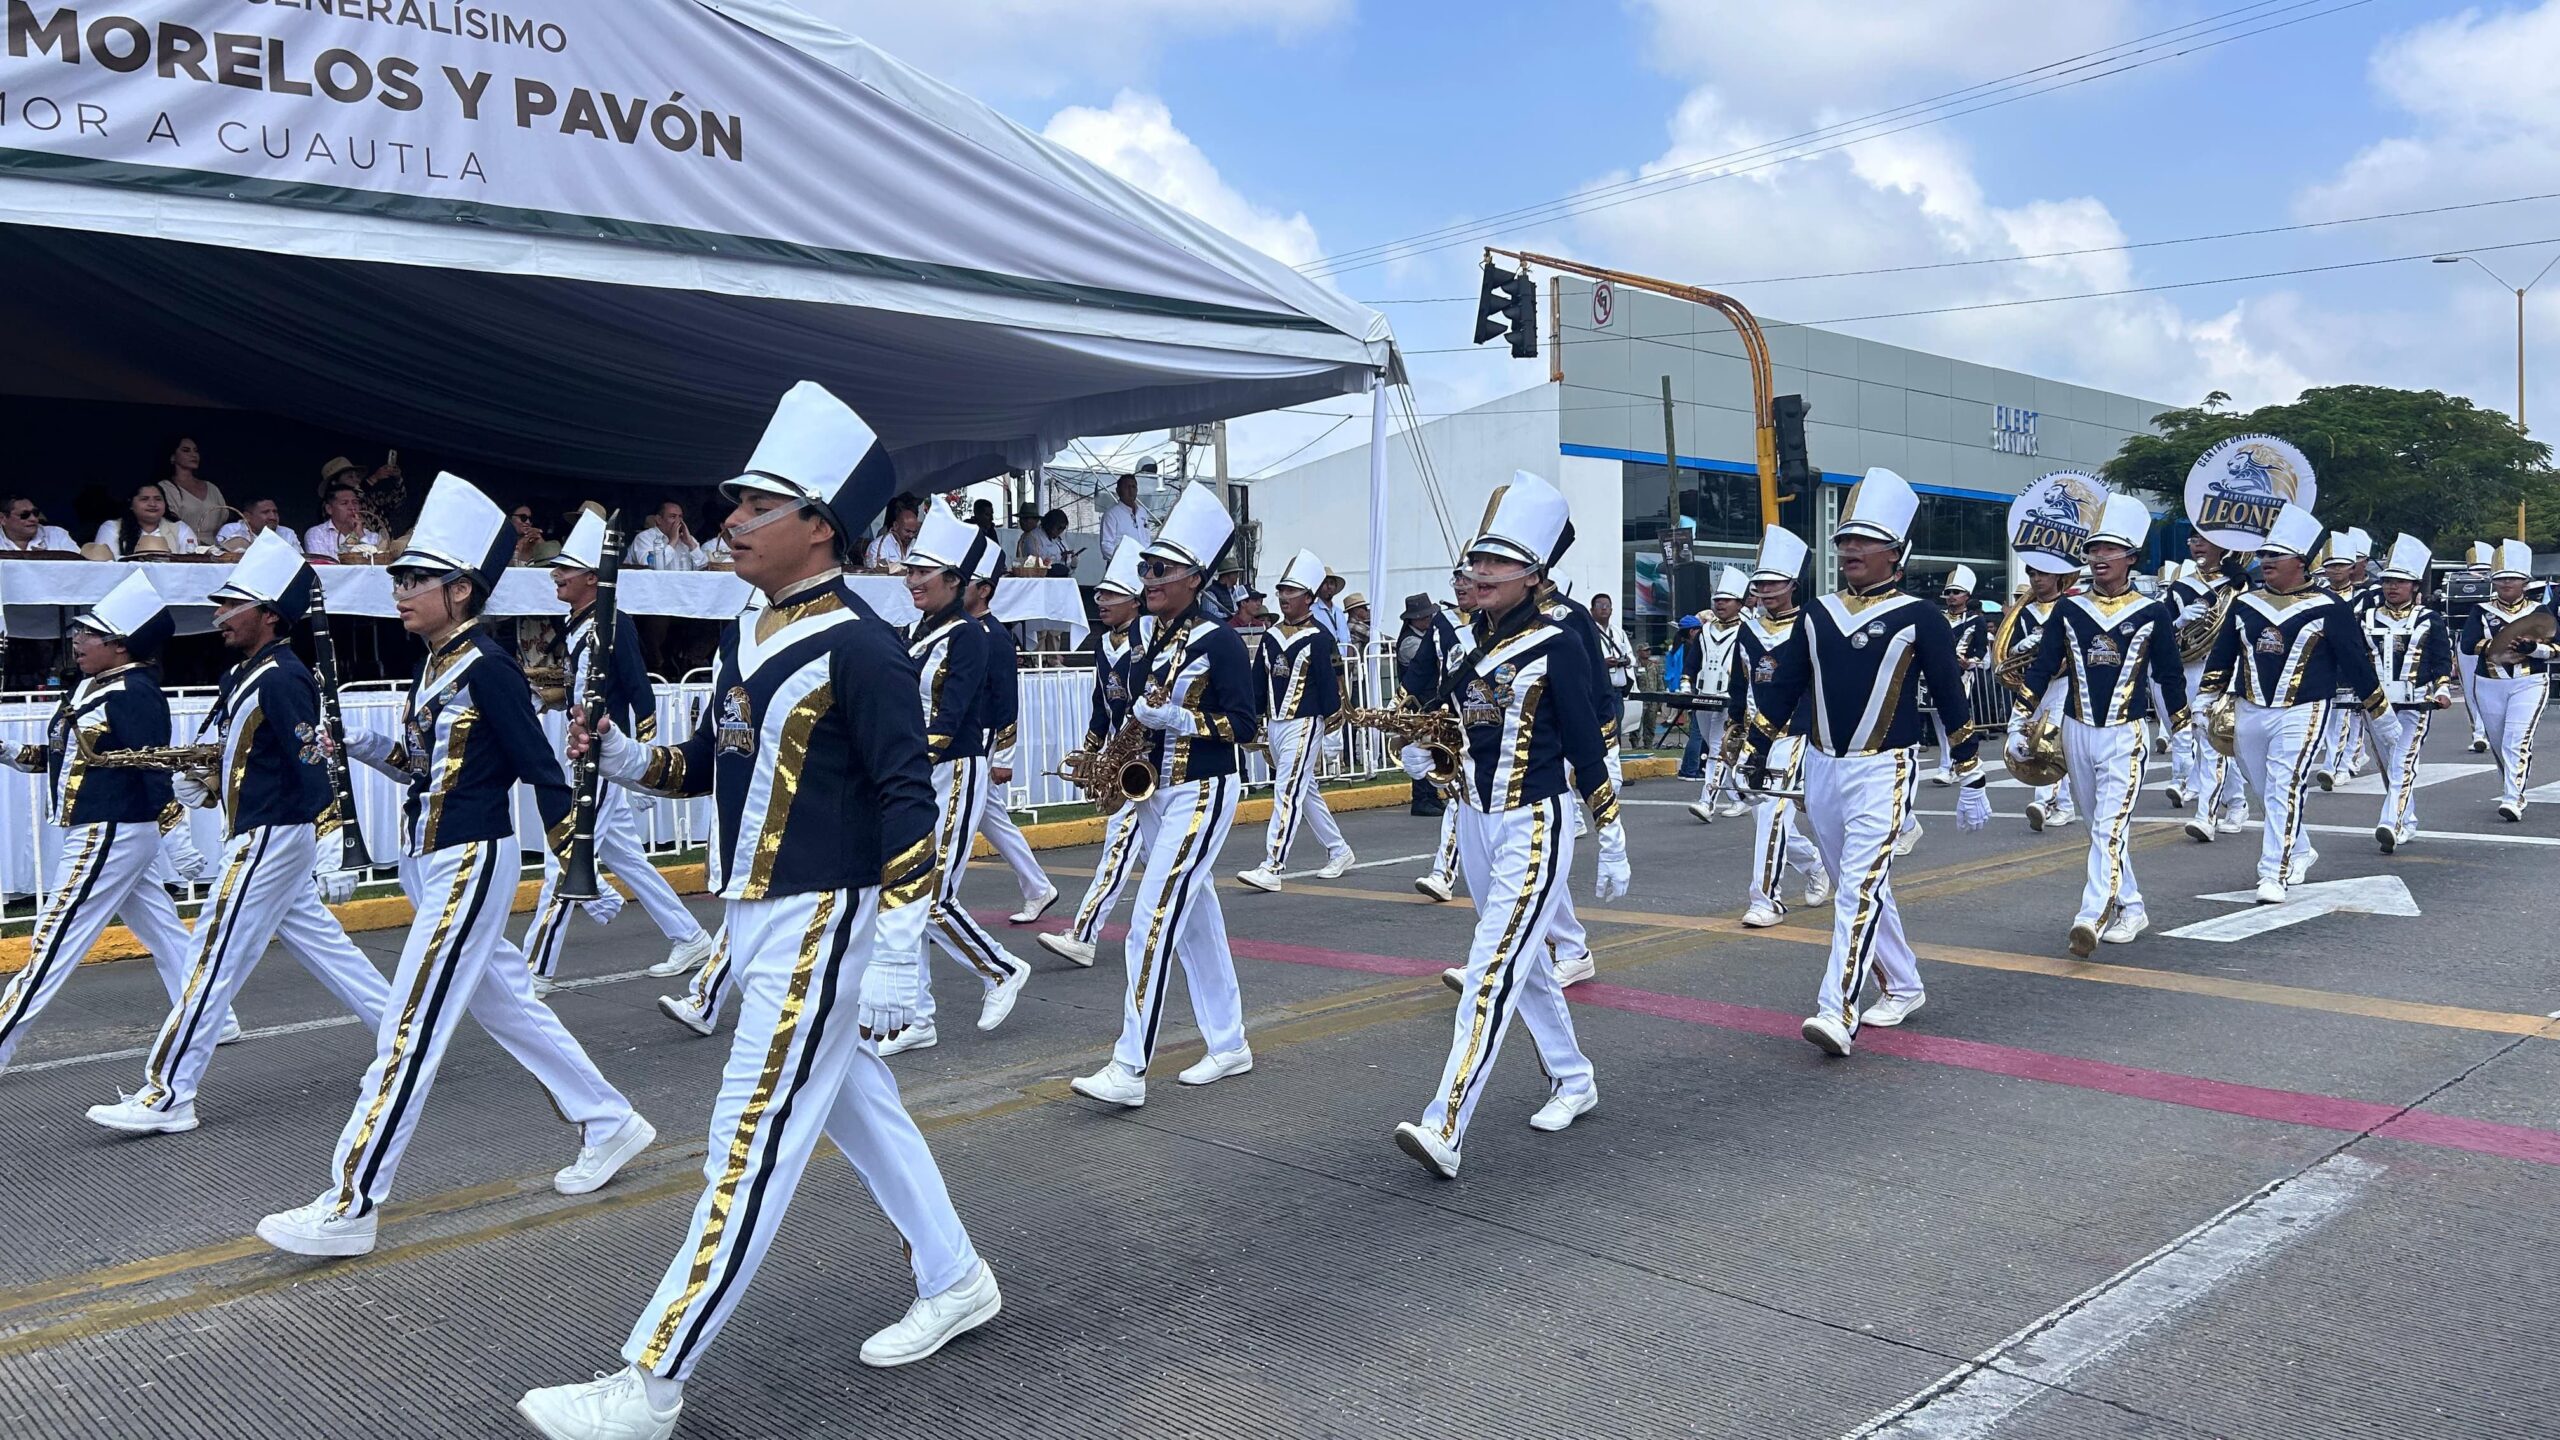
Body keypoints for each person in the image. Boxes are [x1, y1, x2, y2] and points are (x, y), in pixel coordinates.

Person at [524, 382, 995, 1438]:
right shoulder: (751, 627)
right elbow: (714, 762)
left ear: (820, 522)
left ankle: (647, 1382)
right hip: (755, 916)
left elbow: (907, 797)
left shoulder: (865, 648)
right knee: (856, 1109)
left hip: (824, 920)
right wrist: (631, 757)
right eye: (732, 502)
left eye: (757, 505)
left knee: (747, 1145)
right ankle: (958, 1276)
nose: (730, 520)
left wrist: (899, 954)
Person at [256, 471, 652, 1260]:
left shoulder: (490, 668)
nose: (399, 591)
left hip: (470, 860)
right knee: (509, 1007)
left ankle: (352, 1198)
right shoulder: (434, 662)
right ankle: (610, 1121)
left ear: (462, 590)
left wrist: (578, 862)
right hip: (431, 858)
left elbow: (541, 769)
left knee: (408, 1031)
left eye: (414, 579)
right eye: (398, 577)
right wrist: (362, 746)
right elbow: (424, 762)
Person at [82, 532, 394, 1134]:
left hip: (272, 834)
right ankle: (404, 1042)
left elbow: (313, 759)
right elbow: (235, 748)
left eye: (233, 605)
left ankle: (169, 1093)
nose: (219, 616)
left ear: (270, 616)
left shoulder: (283, 677)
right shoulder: (245, 673)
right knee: (329, 951)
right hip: (260, 829)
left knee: (210, 956)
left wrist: (331, 840)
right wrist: (202, 775)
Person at [1390, 471, 1625, 1180]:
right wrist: (1424, 752)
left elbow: (1587, 739)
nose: (1478, 572)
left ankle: (1446, 1122)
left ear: (1533, 573)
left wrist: (1608, 829)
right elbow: (1459, 732)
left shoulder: (1558, 641)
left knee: (1491, 971)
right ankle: (1574, 1077)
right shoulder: (1471, 648)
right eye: (1475, 561)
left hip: (1535, 822)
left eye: (1494, 563)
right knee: (1525, 970)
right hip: (1477, 821)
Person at [1740, 469, 1990, 1058]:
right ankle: (1902, 984)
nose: (1850, 549)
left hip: (1885, 768)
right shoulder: (1818, 613)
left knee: (1856, 887)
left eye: (1864, 540)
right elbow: (1785, 688)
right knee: (1865, 886)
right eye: (1845, 540)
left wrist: (1971, 770)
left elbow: (1951, 696)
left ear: (1895, 554)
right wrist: (1754, 751)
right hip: (1822, 767)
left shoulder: (1921, 616)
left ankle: (1837, 1007)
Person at [0, 572, 244, 1075]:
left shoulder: (134, 692)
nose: (77, 641)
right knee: (163, 931)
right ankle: (213, 1019)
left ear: (121, 644)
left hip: (109, 830)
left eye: (89, 634)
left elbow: (151, 766)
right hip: (109, 830)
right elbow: (67, 758)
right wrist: (6, 751)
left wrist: (174, 838)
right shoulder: (91, 686)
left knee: (54, 939)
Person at [1068, 482, 1260, 1110]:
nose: (1148, 578)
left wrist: (1181, 722)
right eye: (1146, 568)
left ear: (1194, 578)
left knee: (1149, 923)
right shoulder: (1154, 640)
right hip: (1157, 795)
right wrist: (1111, 754)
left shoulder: (1220, 640)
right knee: (1198, 923)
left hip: (1201, 790)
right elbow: (1139, 710)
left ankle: (1129, 1066)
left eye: (1160, 569)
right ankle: (1229, 1043)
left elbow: (1246, 727)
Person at [519, 508, 718, 994]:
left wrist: (644, 760)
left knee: (566, 855)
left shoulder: (612, 624)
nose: (556, 575)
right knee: (627, 858)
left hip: (604, 759)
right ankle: (690, 936)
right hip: (584, 751)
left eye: (565, 568)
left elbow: (639, 692)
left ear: (592, 577)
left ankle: (534, 970)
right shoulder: (580, 624)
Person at [2009, 497, 2187, 956]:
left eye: (2110, 549)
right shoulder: (2070, 611)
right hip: (2075, 730)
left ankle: (2091, 915)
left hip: (2126, 734)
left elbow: (2167, 676)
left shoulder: (2153, 612)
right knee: (2099, 831)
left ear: (2131, 558)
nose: (2100, 557)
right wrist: (2019, 721)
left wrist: (2183, 726)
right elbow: (2043, 666)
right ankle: (2132, 905)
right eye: (2093, 549)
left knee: (2110, 829)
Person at [888, 503, 1033, 1055]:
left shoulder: (969, 636)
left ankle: (999, 969)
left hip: (954, 768)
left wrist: (899, 761)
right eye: (909, 571)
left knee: (930, 895)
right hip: (920, 772)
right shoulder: (916, 631)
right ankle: (916, 1018)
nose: (913, 581)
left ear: (954, 580)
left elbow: (949, 721)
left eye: (924, 573)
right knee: (904, 893)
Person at [2194, 503, 2385, 903]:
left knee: (2285, 785)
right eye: (2263, 555)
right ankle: (2300, 850)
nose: (2265, 562)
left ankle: (2272, 874)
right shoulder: (2246, 604)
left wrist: (2378, 711)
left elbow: (2355, 661)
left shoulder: (2331, 607)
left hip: (2304, 708)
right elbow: (2223, 653)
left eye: (2274, 555)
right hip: (2249, 709)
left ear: (2299, 562)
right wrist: (2205, 698)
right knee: (2267, 790)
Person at [1038, 542, 1151, 970]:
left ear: (1133, 601)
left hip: (1148, 758)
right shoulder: (1103, 644)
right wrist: (1091, 752)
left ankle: (1084, 935)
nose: (1100, 602)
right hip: (1120, 757)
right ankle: (1182, 925)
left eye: (1110, 595)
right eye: (1099, 594)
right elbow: (1100, 704)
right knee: (1156, 853)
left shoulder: (1150, 639)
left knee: (1118, 849)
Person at [1726, 530, 1830, 927]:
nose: (1765, 591)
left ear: (1792, 585)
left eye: (1773, 583)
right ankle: (1813, 862)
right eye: (1760, 584)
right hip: (1755, 735)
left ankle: (1766, 899)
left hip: (1795, 733)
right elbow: (1741, 681)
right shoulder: (1747, 629)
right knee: (1767, 815)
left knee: (1772, 811)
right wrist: (1735, 730)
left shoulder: (1811, 624)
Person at [1238, 548, 1353, 892]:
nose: (1284, 597)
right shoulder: (1272, 634)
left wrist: (1331, 727)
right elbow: (1259, 679)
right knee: (1306, 791)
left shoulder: (1321, 638)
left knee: (1287, 790)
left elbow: (1330, 688)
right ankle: (1339, 849)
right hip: (1275, 723)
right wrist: (1254, 720)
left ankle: (1272, 864)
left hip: (1305, 724)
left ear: (1308, 597)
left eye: (1291, 591)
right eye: (1282, 590)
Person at [966, 553, 1060, 924]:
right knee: (992, 820)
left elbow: (1006, 700)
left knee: (955, 823)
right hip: (967, 738)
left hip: (984, 739)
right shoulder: (965, 630)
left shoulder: (995, 637)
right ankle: (1038, 887)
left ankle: (937, 900)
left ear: (984, 590)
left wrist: (1005, 756)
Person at [2366, 534, 2456, 851]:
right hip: (2376, 704)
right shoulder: (2365, 617)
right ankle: (2408, 821)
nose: (2393, 587)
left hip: (2415, 702)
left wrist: (2443, 689)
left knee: (2403, 762)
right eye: (2388, 581)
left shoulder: (2429, 619)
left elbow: (2442, 660)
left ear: (2414, 586)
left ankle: (2390, 822)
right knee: (2390, 764)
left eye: (2400, 582)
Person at [2459, 539, 2551, 823]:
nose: (2506, 584)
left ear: (2524, 582)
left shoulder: (2540, 610)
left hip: (2530, 680)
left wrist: (2532, 649)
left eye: (2512, 579)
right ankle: (2512, 784)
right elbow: (2467, 644)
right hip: (2490, 682)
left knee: (2516, 739)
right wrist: (2497, 645)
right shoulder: (2481, 610)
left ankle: (2514, 797)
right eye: (2500, 579)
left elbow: (2555, 646)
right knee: (2499, 743)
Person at [2164, 534, 2249, 831]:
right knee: (2207, 741)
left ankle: (2206, 816)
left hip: (2227, 670)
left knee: (2216, 741)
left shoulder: (2239, 585)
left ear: (2222, 546)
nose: (2196, 545)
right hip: (2189, 669)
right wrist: (2179, 622)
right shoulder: (2180, 587)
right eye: (2192, 540)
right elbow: (2161, 639)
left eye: (2204, 540)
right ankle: (2237, 803)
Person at [1994, 566, 2076, 833]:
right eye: (2032, 575)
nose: (2037, 580)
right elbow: (2010, 651)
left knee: (2049, 740)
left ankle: (2042, 801)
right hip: (2033, 683)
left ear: (2057, 577)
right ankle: (2064, 806)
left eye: (2043, 574)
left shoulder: (2070, 607)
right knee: (2032, 739)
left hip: (2062, 683)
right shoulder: (2024, 612)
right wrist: (2023, 645)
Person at [1412, 574, 1476, 901]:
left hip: (1504, 732)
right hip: (1457, 724)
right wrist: (1399, 706)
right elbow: (1422, 667)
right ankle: (1443, 874)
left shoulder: (1509, 621)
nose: (1461, 586)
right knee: (1457, 799)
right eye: (1457, 579)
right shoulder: (1443, 622)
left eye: (1469, 579)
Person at [2312, 528, 2378, 790]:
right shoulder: (2318, 595)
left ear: (2352, 568)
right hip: (2324, 659)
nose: (2335, 570)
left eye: (2340, 565)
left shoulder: (2366, 596)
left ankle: (2336, 764)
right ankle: (2342, 759)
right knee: (2331, 714)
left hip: (2353, 659)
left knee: (2350, 714)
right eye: (2330, 566)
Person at [1930, 565, 1991, 786]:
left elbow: (1981, 652)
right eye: (1949, 593)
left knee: (1953, 715)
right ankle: (1954, 760)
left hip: (1962, 674)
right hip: (1936, 672)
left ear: (1967, 595)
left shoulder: (1976, 621)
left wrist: (1970, 663)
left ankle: (1949, 765)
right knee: (1938, 717)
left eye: (1956, 592)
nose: (1951, 597)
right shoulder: (1937, 618)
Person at [1393, 592, 1445, 818]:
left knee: (1431, 749)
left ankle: (1431, 796)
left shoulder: (1422, 637)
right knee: (1420, 749)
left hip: (1429, 699)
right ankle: (1422, 798)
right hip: (1419, 702)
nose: (1427, 620)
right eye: (1423, 617)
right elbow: (1429, 663)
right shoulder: (1410, 642)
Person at [2456, 541, 2495, 752]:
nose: (2479, 576)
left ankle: (2494, 729)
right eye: (2475, 571)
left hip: (2498, 641)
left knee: (2494, 688)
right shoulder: (2457, 585)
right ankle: (2479, 733)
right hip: (2467, 641)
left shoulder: (2502, 587)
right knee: (2471, 688)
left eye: (2485, 572)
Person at [93, 480, 198, 558]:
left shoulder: (180, 529)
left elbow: (190, 565)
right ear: (131, 504)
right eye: (144, 499)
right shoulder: (112, 528)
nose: (152, 504)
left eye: (158, 499)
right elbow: (105, 565)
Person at [155, 436, 230, 541]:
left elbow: (225, 518)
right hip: (183, 546)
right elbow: (169, 521)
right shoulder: (166, 487)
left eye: (196, 451)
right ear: (173, 457)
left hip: (215, 549)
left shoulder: (212, 488)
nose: (193, 455)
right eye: (186, 450)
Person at [303, 481, 382, 562]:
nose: (352, 508)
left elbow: (376, 565)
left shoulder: (373, 536)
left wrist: (361, 535)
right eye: (344, 503)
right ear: (329, 509)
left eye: (355, 502)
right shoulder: (317, 534)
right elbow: (323, 567)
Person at [627, 501, 709, 572]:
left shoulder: (687, 539)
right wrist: (673, 541)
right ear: (659, 520)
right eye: (673, 516)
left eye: (680, 517)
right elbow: (649, 566)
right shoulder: (644, 538)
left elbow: (704, 567)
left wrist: (691, 544)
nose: (678, 521)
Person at [1098, 472, 1153, 563]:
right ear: (1118, 491)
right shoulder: (1111, 515)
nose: (1130, 491)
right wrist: (1126, 558)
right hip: (1120, 566)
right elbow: (1106, 547)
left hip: (1143, 565)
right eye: (1126, 487)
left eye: (1133, 487)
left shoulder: (1142, 512)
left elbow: (1146, 540)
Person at [0, 493, 76, 553]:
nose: (33, 519)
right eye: (24, 515)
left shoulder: (57, 535)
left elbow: (79, 567)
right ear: (2, 519)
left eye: (36, 513)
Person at [864, 494, 922, 572]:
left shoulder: (918, 545)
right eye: (907, 531)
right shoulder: (878, 546)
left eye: (914, 532)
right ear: (895, 526)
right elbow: (877, 572)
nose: (911, 535)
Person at [210, 496, 285, 552]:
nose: (273, 517)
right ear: (247, 516)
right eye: (265, 512)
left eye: (275, 512)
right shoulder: (231, 530)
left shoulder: (287, 534)